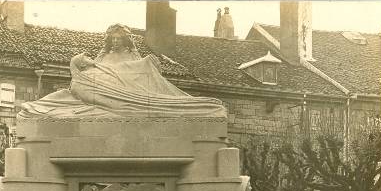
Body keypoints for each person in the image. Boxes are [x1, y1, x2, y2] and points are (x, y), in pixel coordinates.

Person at [18, 24, 226, 119]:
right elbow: (92, 72)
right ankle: (40, 106)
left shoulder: (134, 58)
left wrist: (149, 64)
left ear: (126, 39)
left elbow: (138, 78)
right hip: (95, 90)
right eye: (113, 39)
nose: (116, 42)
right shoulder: (101, 58)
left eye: (119, 39)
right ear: (108, 41)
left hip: (124, 95)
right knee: (63, 96)